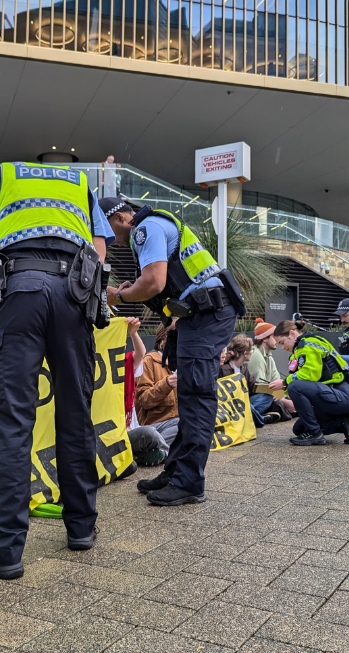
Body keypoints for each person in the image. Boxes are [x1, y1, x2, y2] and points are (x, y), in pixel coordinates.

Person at [0, 162, 112, 580]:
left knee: (12, 421)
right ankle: (81, 529)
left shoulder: (0, 178)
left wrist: (6, 283)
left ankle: (5, 551)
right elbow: (98, 253)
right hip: (74, 295)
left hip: (19, 289)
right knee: (76, 413)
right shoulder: (82, 185)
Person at [102, 197, 241, 506]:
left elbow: (153, 282)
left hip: (207, 313)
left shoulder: (145, 228)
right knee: (189, 397)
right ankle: (176, 470)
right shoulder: (158, 225)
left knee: (195, 395)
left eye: (106, 226)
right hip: (199, 313)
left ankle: (190, 481)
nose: (107, 237)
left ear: (122, 217)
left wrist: (119, 297)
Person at [277, 320, 349, 446]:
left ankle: (315, 434)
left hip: (341, 394)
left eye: (282, 342)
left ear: (292, 334)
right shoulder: (305, 345)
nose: (282, 347)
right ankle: (343, 423)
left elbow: (310, 375)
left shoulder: (306, 345)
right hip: (338, 394)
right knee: (299, 429)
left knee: (294, 386)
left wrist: (284, 383)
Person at [130, 324, 179, 466]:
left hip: (173, 426)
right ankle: (166, 451)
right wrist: (167, 383)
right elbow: (144, 401)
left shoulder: (182, 361)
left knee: (190, 423)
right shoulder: (149, 361)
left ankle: (159, 453)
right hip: (153, 426)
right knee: (151, 434)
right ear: (164, 339)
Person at [218, 334, 272, 427]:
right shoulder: (225, 369)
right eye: (251, 350)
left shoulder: (244, 368)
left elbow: (253, 386)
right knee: (247, 406)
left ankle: (250, 417)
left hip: (242, 402)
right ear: (245, 353)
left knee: (267, 396)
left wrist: (270, 389)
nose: (252, 352)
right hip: (230, 404)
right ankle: (260, 419)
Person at [247, 321, 293, 423]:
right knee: (268, 398)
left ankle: (259, 416)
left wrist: (286, 396)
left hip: (267, 395)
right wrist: (285, 401)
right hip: (253, 396)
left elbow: (276, 382)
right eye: (274, 336)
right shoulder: (255, 354)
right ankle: (257, 418)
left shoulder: (269, 356)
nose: (277, 339)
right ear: (264, 338)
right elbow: (260, 387)